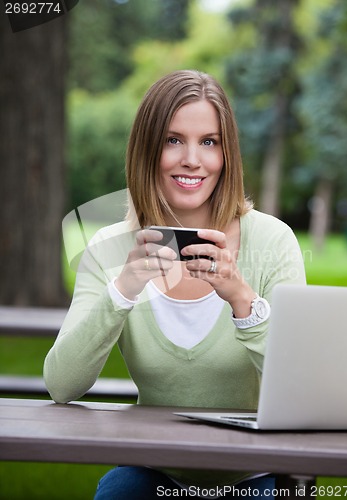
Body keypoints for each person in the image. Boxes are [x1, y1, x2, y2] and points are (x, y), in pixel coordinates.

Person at [44, 70, 306, 499]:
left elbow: (301, 387)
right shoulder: (110, 247)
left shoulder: (272, 240)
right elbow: (62, 384)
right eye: (172, 140)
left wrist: (242, 298)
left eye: (209, 142)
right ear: (147, 149)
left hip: (258, 474)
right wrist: (123, 288)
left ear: (227, 154)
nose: (192, 159)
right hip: (155, 471)